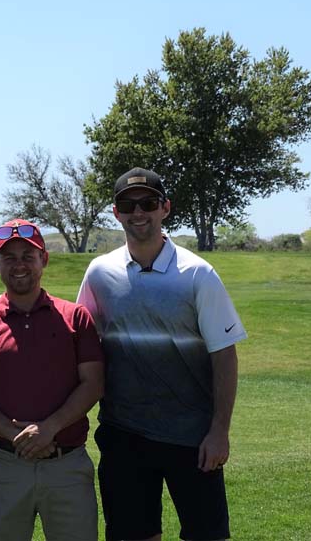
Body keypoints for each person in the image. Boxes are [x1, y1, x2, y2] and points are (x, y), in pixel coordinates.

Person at [77, 167, 248, 541]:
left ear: (165, 208)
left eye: (148, 203)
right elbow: (78, 336)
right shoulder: (99, 273)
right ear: (116, 211)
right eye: (128, 204)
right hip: (124, 435)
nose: (139, 212)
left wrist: (220, 431)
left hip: (193, 437)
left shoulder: (197, 274)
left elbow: (224, 355)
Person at [0, 219, 105, 541]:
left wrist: (49, 428)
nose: (19, 264)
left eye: (28, 255)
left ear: (44, 259)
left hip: (66, 464)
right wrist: (19, 437)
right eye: (9, 258)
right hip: (5, 465)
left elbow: (93, 384)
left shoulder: (76, 317)